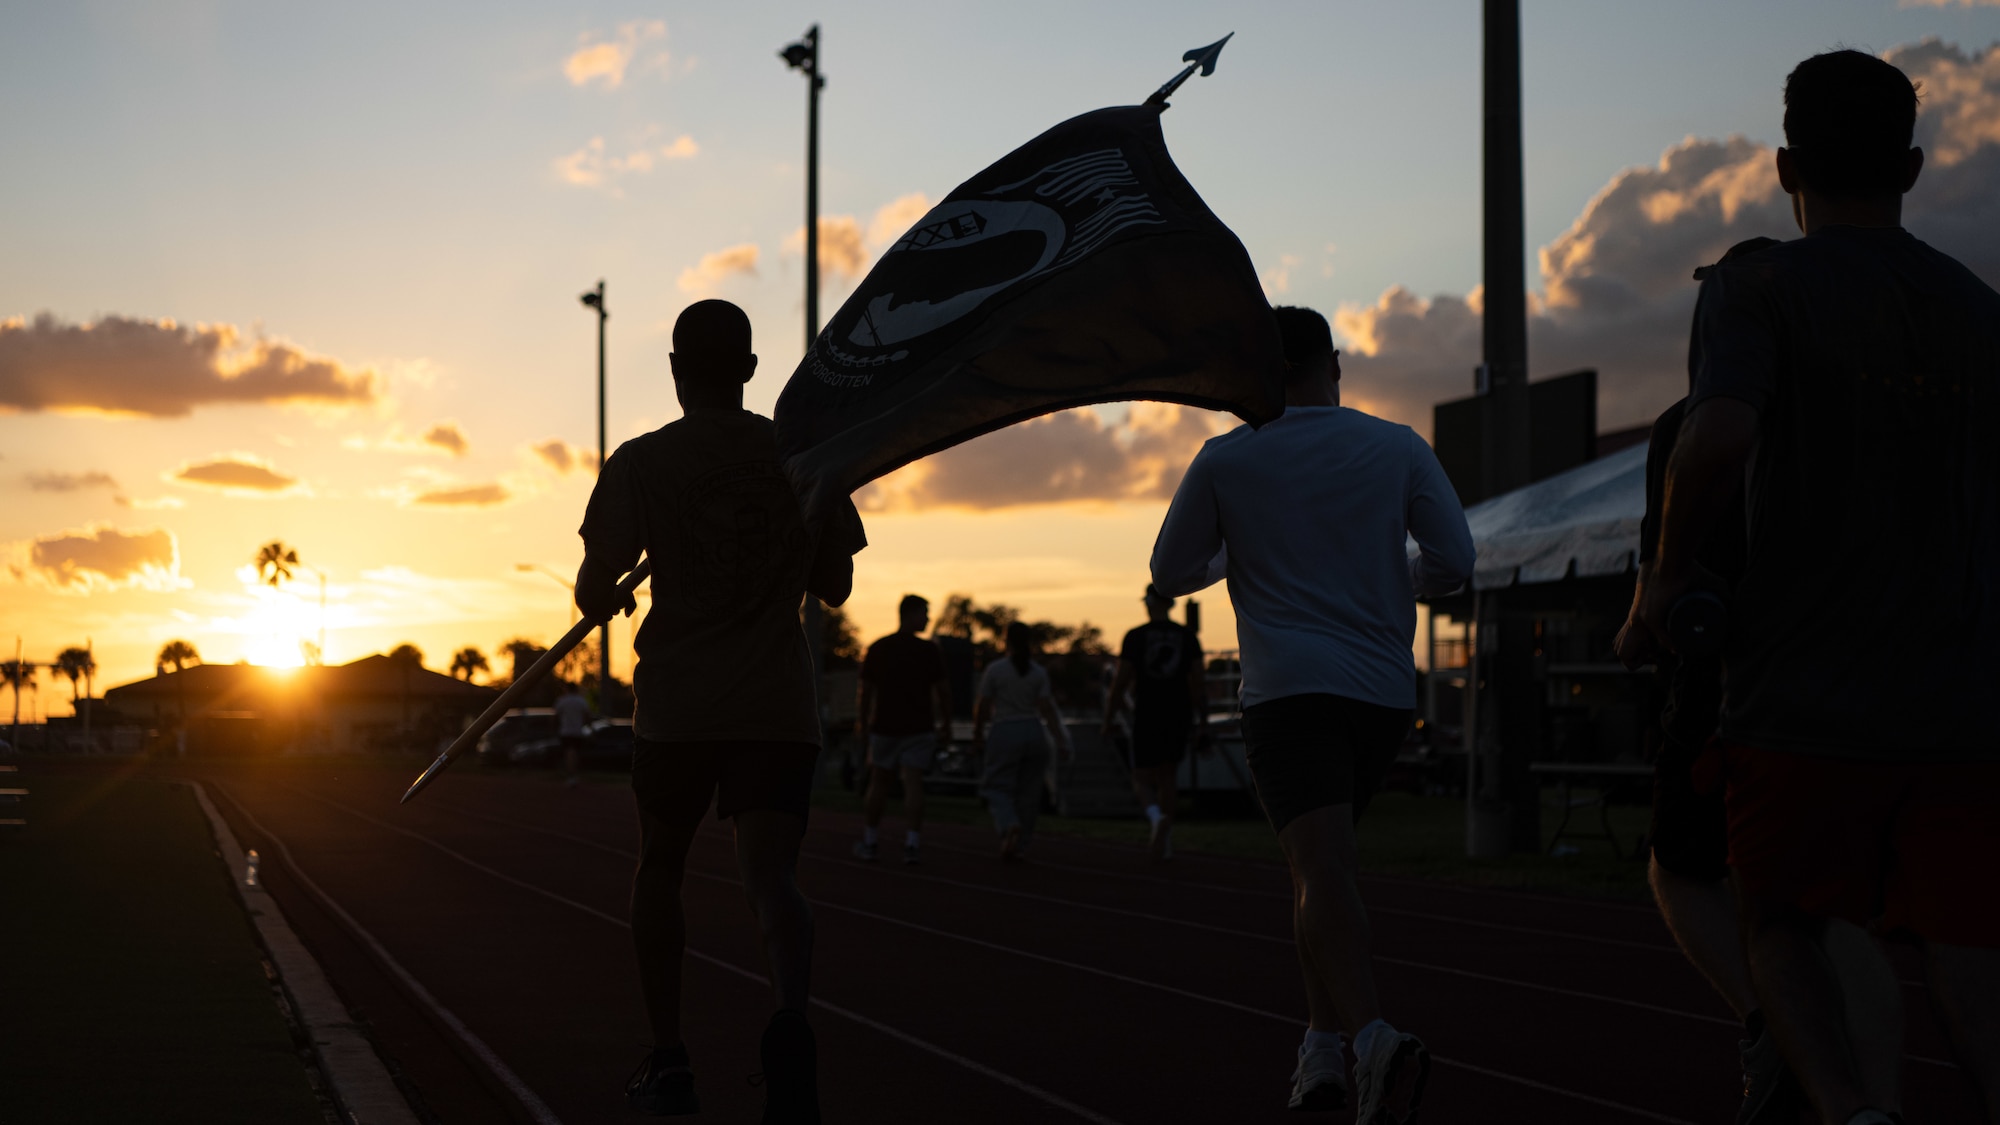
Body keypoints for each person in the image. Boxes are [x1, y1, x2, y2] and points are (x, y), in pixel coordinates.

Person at [1624, 51, 2000, 1125]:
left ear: (1783, 163)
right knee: (1969, 945)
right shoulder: (1980, 312)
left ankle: (1846, 1111)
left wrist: (1664, 575)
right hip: (1963, 703)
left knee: (1777, 921)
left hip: (1800, 697)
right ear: (1914, 168)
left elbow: (1717, 434)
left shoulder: (1756, 288)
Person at [1151, 304, 1473, 1120]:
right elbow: (1455, 562)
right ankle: (1319, 1049)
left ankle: (1368, 1037)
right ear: (1331, 363)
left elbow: (1171, 569)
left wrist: (1241, 554)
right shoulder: (1397, 444)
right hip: (1382, 696)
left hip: (1290, 691)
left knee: (1320, 870)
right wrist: (1395, 581)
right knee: (1321, 870)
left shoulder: (1229, 458)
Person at [575, 298, 863, 1123]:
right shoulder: (804, 453)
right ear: (747, 370)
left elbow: (597, 589)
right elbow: (836, 584)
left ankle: (669, 1060)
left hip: (679, 708)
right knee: (774, 881)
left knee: (659, 868)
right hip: (776, 707)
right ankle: (792, 1033)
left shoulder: (642, 460)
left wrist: (614, 595)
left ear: (675, 371)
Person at [1619, 387, 1808, 1123]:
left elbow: (1664, 572)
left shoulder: (1692, 424)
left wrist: (1641, 623)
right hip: (1860, 678)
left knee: (1682, 864)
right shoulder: (1859, 413)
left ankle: (1772, 1026)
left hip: (1731, 675)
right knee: (1833, 905)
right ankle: (1868, 1100)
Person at [1102, 585, 1205, 861]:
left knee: (1141, 776)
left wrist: (1109, 718)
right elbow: (1198, 682)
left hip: (1147, 712)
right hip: (1178, 713)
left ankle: (1155, 816)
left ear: (1149, 602)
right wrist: (1202, 722)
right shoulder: (1187, 636)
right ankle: (1166, 838)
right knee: (1168, 776)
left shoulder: (1136, 637)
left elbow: (1120, 681)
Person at [852, 594, 951, 865]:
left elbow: (866, 692)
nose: (928, 619)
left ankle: (871, 840)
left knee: (880, 782)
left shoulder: (878, 647)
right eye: (925, 613)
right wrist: (947, 723)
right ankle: (911, 844)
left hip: (886, 727)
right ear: (911, 613)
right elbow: (942, 691)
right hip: (917, 727)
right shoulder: (929, 650)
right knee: (912, 783)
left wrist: (862, 723)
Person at [972, 622, 1073, 860]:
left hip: (1006, 729)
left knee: (996, 785)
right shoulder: (1037, 672)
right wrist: (1061, 741)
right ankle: (1021, 841)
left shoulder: (996, 670)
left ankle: (1008, 824)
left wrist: (977, 734)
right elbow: (1047, 709)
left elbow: (983, 705)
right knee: (1029, 792)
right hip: (1034, 731)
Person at [555, 680, 593, 787]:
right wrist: (590, 727)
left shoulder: (562, 701)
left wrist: (554, 728)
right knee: (574, 753)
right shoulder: (581, 701)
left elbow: (555, 716)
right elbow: (587, 716)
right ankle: (573, 775)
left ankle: (571, 775)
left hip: (566, 731)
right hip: (577, 731)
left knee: (569, 753)